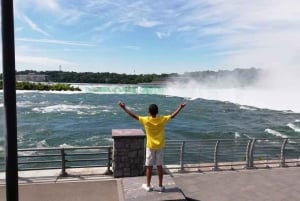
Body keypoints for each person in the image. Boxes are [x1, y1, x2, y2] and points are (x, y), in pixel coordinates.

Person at [118, 101, 187, 192]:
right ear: (157, 111)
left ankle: (148, 186)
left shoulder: (146, 120)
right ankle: (161, 186)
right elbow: (172, 116)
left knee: (149, 167)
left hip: (150, 146)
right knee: (159, 166)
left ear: (149, 112)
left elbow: (134, 116)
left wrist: (124, 108)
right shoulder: (162, 119)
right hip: (160, 146)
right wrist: (180, 108)